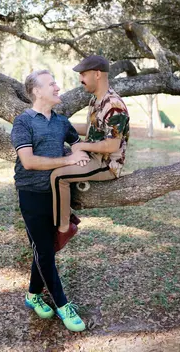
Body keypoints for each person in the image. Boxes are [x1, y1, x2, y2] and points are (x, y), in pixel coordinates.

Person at [11, 69, 89, 332]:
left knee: (47, 248)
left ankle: (33, 295)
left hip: (57, 194)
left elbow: (77, 143)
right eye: (51, 83)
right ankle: (62, 304)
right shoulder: (23, 122)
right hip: (31, 194)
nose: (58, 87)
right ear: (36, 91)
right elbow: (28, 162)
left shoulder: (61, 122)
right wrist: (66, 159)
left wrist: (79, 155)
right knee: (43, 250)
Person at [50, 55, 130, 251]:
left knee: (58, 177)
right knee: (50, 164)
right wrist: (58, 127)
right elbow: (91, 129)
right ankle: (66, 214)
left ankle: (63, 229)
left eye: (83, 74)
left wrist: (83, 147)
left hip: (106, 163)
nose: (80, 79)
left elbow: (112, 145)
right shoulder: (95, 100)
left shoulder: (114, 105)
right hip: (94, 156)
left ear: (97, 74)